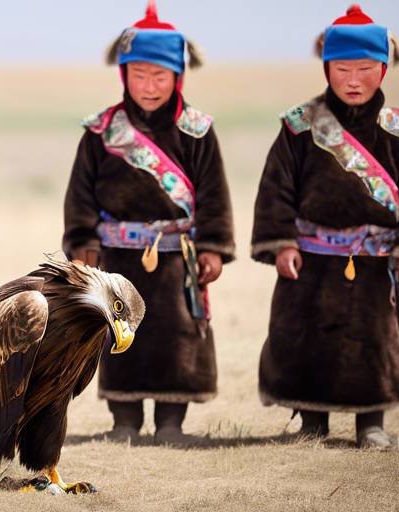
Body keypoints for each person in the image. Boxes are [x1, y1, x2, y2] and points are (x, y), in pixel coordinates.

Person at [252, 4, 399, 449]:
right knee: (306, 340)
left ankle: (371, 423)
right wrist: (282, 244)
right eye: (342, 68)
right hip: (311, 260)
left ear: (383, 70)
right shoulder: (300, 127)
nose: (353, 79)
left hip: (376, 264)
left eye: (365, 68)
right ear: (327, 68)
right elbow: (276, 189)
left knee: (375, 341)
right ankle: (313, 423)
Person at [62, 0, 235, 445]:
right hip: (115, 257)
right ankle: (124, 420)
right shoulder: (101, 132)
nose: (149, 85)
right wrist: (83, 243)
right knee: (120, 331)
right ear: (124, 75)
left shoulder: (197, 130)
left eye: (160, 75)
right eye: (139, 75)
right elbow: (80, 193)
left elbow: (213, 192)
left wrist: (214, 246)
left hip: (179, 258)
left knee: (176, 334)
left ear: (178, 76)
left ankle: (172, 422)